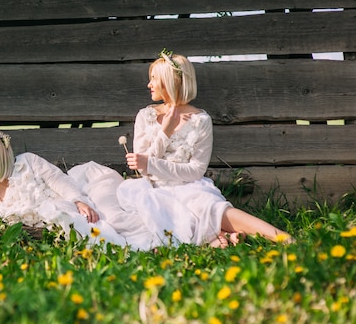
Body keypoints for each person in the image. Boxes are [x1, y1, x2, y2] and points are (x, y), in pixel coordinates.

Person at [124, 49, 293, 247]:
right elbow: (142, 167)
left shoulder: (200, 120)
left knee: (209, 207)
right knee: (165, 215)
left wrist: (151, 164)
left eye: (154, 79)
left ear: (172, 82)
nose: (149, 84)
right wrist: (165, 132)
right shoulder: (146, 116)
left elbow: (195, 171)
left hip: (189, 187)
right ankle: (222, 237)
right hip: (154, 189)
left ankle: (283, 237)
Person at [0, 130, 130, 247]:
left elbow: (57, 179)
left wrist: (79, 201)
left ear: (0, 154)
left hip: (80, 195)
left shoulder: (27, 162)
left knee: (115, 220)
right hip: (63, 226)